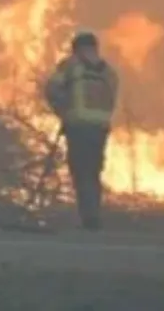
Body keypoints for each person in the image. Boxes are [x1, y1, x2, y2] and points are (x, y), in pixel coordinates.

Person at [44, 29, 119, 230]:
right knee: (94, 173)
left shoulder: (71, 66)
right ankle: (93, 216)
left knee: (81, 172)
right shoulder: (109, 72)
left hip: (78, 128)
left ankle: (88, 220)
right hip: (100, 129)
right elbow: (111, 100)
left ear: (76, 49)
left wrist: (62, 110)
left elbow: (51, 89)